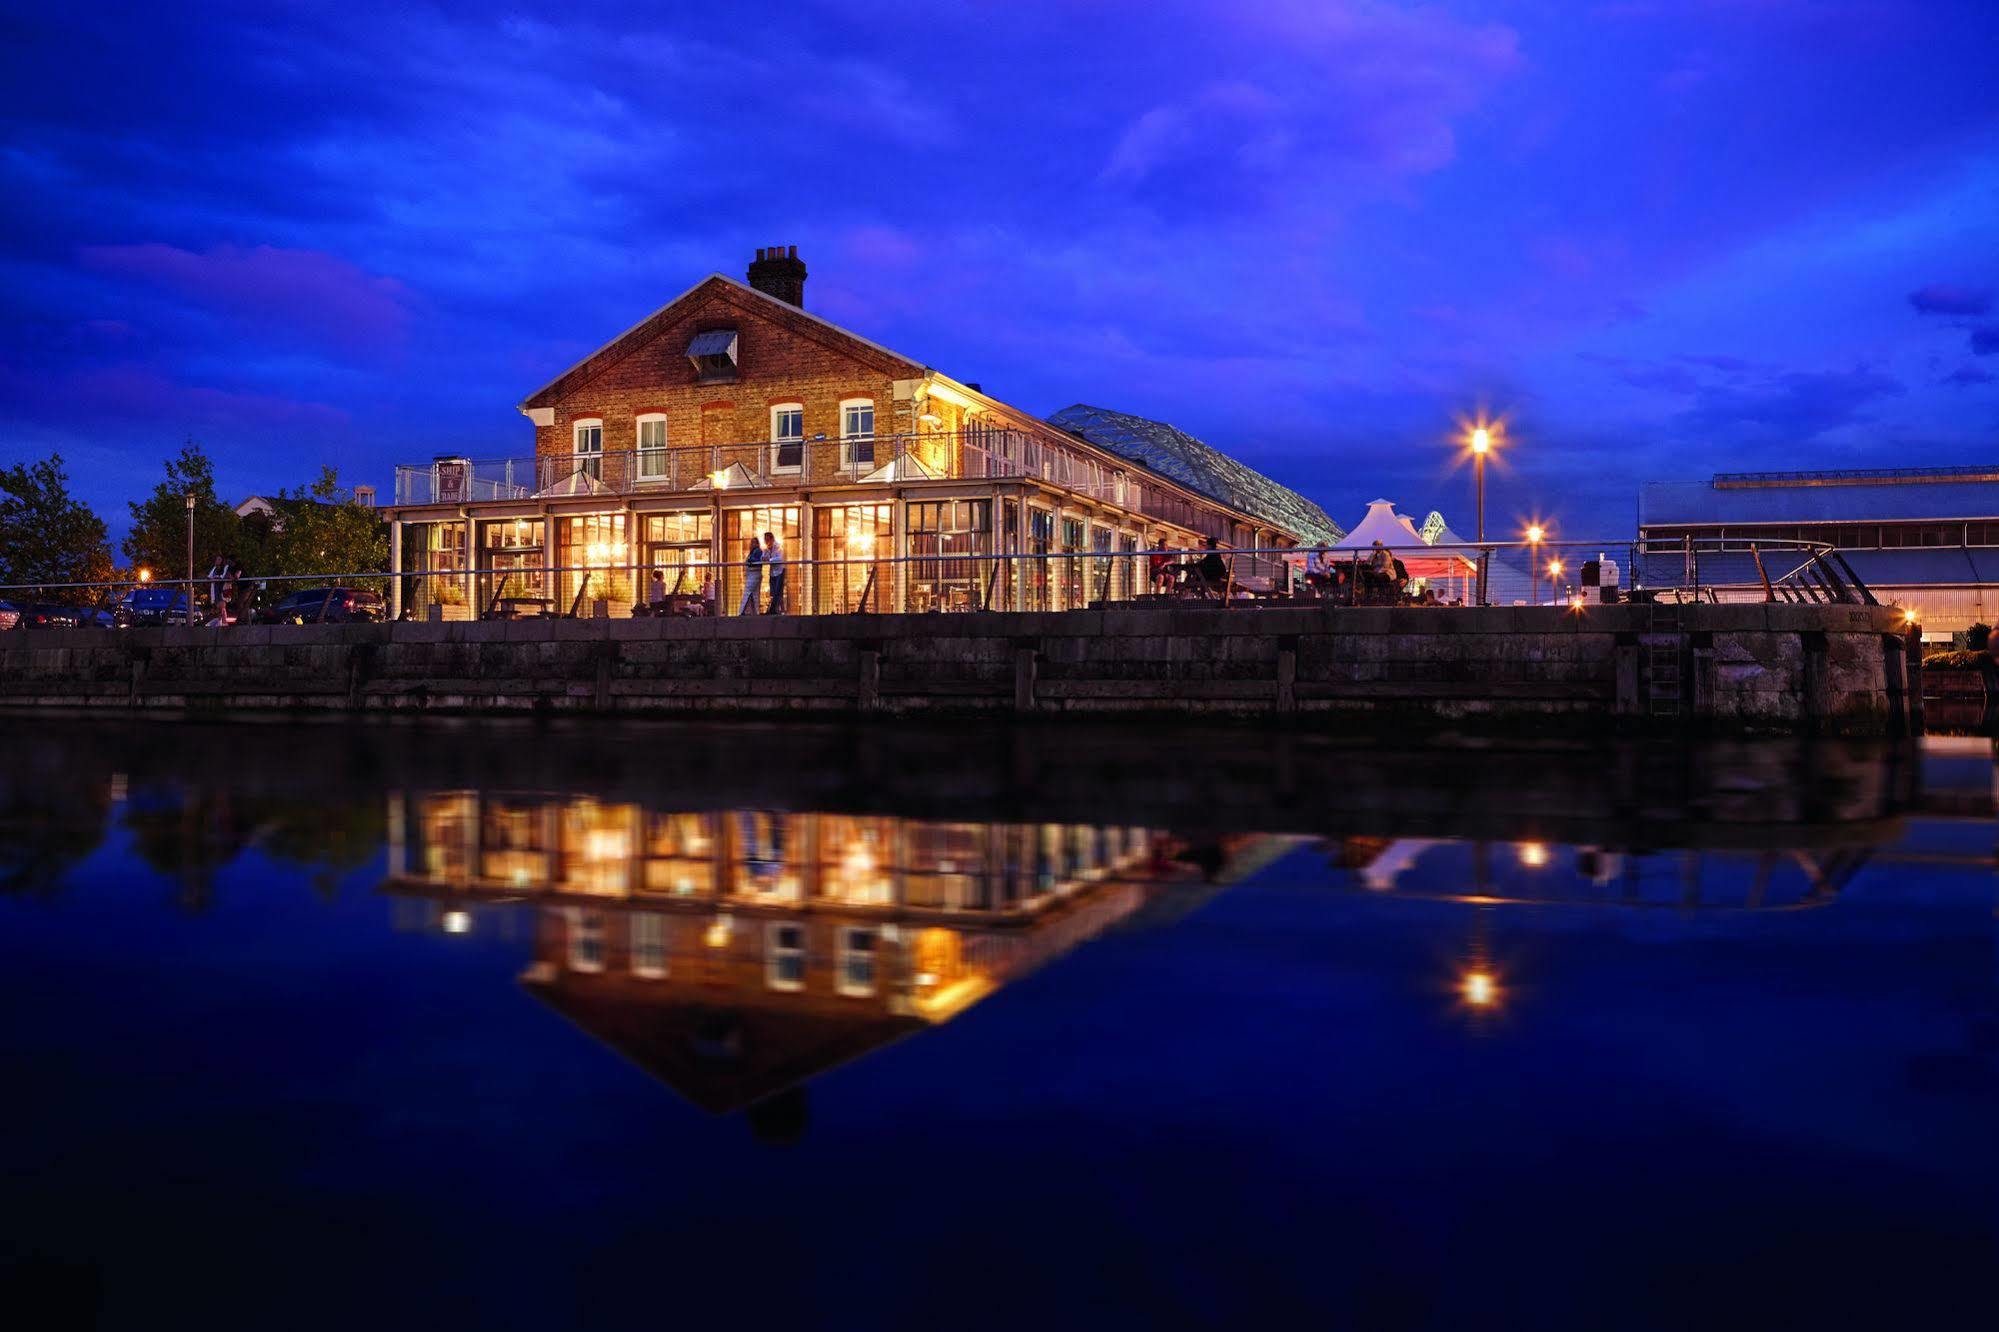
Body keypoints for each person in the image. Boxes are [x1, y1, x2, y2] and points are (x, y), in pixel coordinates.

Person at [738, 536, 763, 616]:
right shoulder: (753, 552)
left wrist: (749, 560)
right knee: (755, 594)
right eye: (751, 542)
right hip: (752, 574)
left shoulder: (757, 551)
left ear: (756, 543)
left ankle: (741, 611)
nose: (752, 544)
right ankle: (757, 612)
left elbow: (757, 560)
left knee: (747, 592)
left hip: (753, 574)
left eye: (753, 542)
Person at [762, 531, 786, 613]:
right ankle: (779, 610)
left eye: (767, 540)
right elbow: (763, 557)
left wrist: (769, 559)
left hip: (779, 571)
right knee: (774, 592)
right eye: (765, 540)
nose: (766, 542)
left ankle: (774, 610)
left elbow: (780, 558)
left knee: (777, 591)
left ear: (772, 539)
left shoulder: (778, 546)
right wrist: (764, 557)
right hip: (772, 572)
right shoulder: (767, 549)